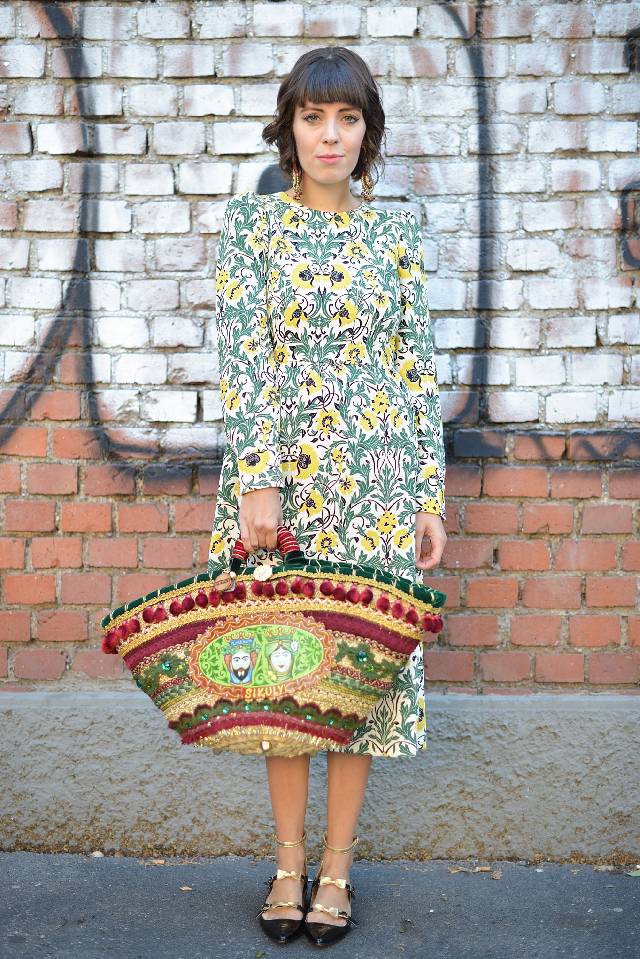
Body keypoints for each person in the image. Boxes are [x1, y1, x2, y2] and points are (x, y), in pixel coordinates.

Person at [208, 46, 447, 946]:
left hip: (379, 486)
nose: (330, 135)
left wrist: (428, 492)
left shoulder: (395, 235)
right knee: (286, 668)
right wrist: (260, 478)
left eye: (348, 119)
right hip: (285, 487)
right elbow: (246, 356)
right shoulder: (253, 229)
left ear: (368, 132)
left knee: (358, 680)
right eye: (314, 117)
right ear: (290, 127)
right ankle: (283, 865)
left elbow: (415, 366)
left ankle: (336, 872)